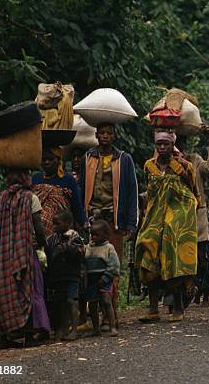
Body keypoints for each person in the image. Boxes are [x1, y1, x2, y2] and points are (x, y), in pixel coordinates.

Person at [136, 131, 200, 323]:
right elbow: (150, 192)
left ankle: (178, 308)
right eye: (159, 144)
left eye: (166, 144)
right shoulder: (149, 166)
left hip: (178, 217)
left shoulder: (184, 166)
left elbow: (193, 193)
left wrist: (182, 216)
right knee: (148, 254)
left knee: (172, 257)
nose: (162, 148)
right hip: (155, 217)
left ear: (173, 145)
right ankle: (153, 309)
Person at [0, 170, 50, 349]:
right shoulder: (30, 198)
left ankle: (2, 337)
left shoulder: (0, 198)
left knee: (3, 290)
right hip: (23, 252)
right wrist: (44, 245)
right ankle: (29, 335)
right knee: (28, 288)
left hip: (0, 254)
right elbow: (38, 227)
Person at [80, 122, 138, 330]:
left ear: (114, 136)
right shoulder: (87, 158)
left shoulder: (124, 159)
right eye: (101, 133)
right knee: (91, 267)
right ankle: (92, 315)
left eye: (109, 133)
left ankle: (110, 316)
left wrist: (131, 224)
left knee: (112, 267)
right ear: (96, 135)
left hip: (115, 220)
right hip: (93, 218)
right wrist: (81, 218)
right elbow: (81, 189)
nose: (105, 136)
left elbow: (131, 192)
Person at [176, 125, 209, 306]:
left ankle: (201, 289)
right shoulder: (161, 163)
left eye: (181, 143)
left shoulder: (194, 160)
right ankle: (181, 292)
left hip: (197, 213)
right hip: (176, 215)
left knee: (201, 256)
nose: (178, 147)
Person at [45, 210, 85, 341]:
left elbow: (81, 252)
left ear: (68, 223)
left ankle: (74, 330)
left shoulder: (74, 236)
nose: (54, 226)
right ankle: (61, 329)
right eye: (53, 224)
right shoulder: (51, 239)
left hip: (71, 276)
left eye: (58, 224)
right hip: (57, 277)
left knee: (71, 301)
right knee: (59, 303)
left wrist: (67, 248)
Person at [33, 147, 88, 236]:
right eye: (44, 159)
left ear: (59, 161)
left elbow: (77, 206)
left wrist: (85, 224)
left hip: (62, 231)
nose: (46, 162)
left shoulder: (68, 179)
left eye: (50, 159)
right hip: (38, 231)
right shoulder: (35, 179)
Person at [85, 220, 119, 337]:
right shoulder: (88, 248)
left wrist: (105, 278)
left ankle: (112, 327)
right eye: (92, 234)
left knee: (106, 302)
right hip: (91, 281)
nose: (93, 237)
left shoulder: (109, 248)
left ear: (105, 235)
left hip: (105, 279)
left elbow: (114, 266)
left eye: (97, 234)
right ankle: (96, 329)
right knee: (93, 305)